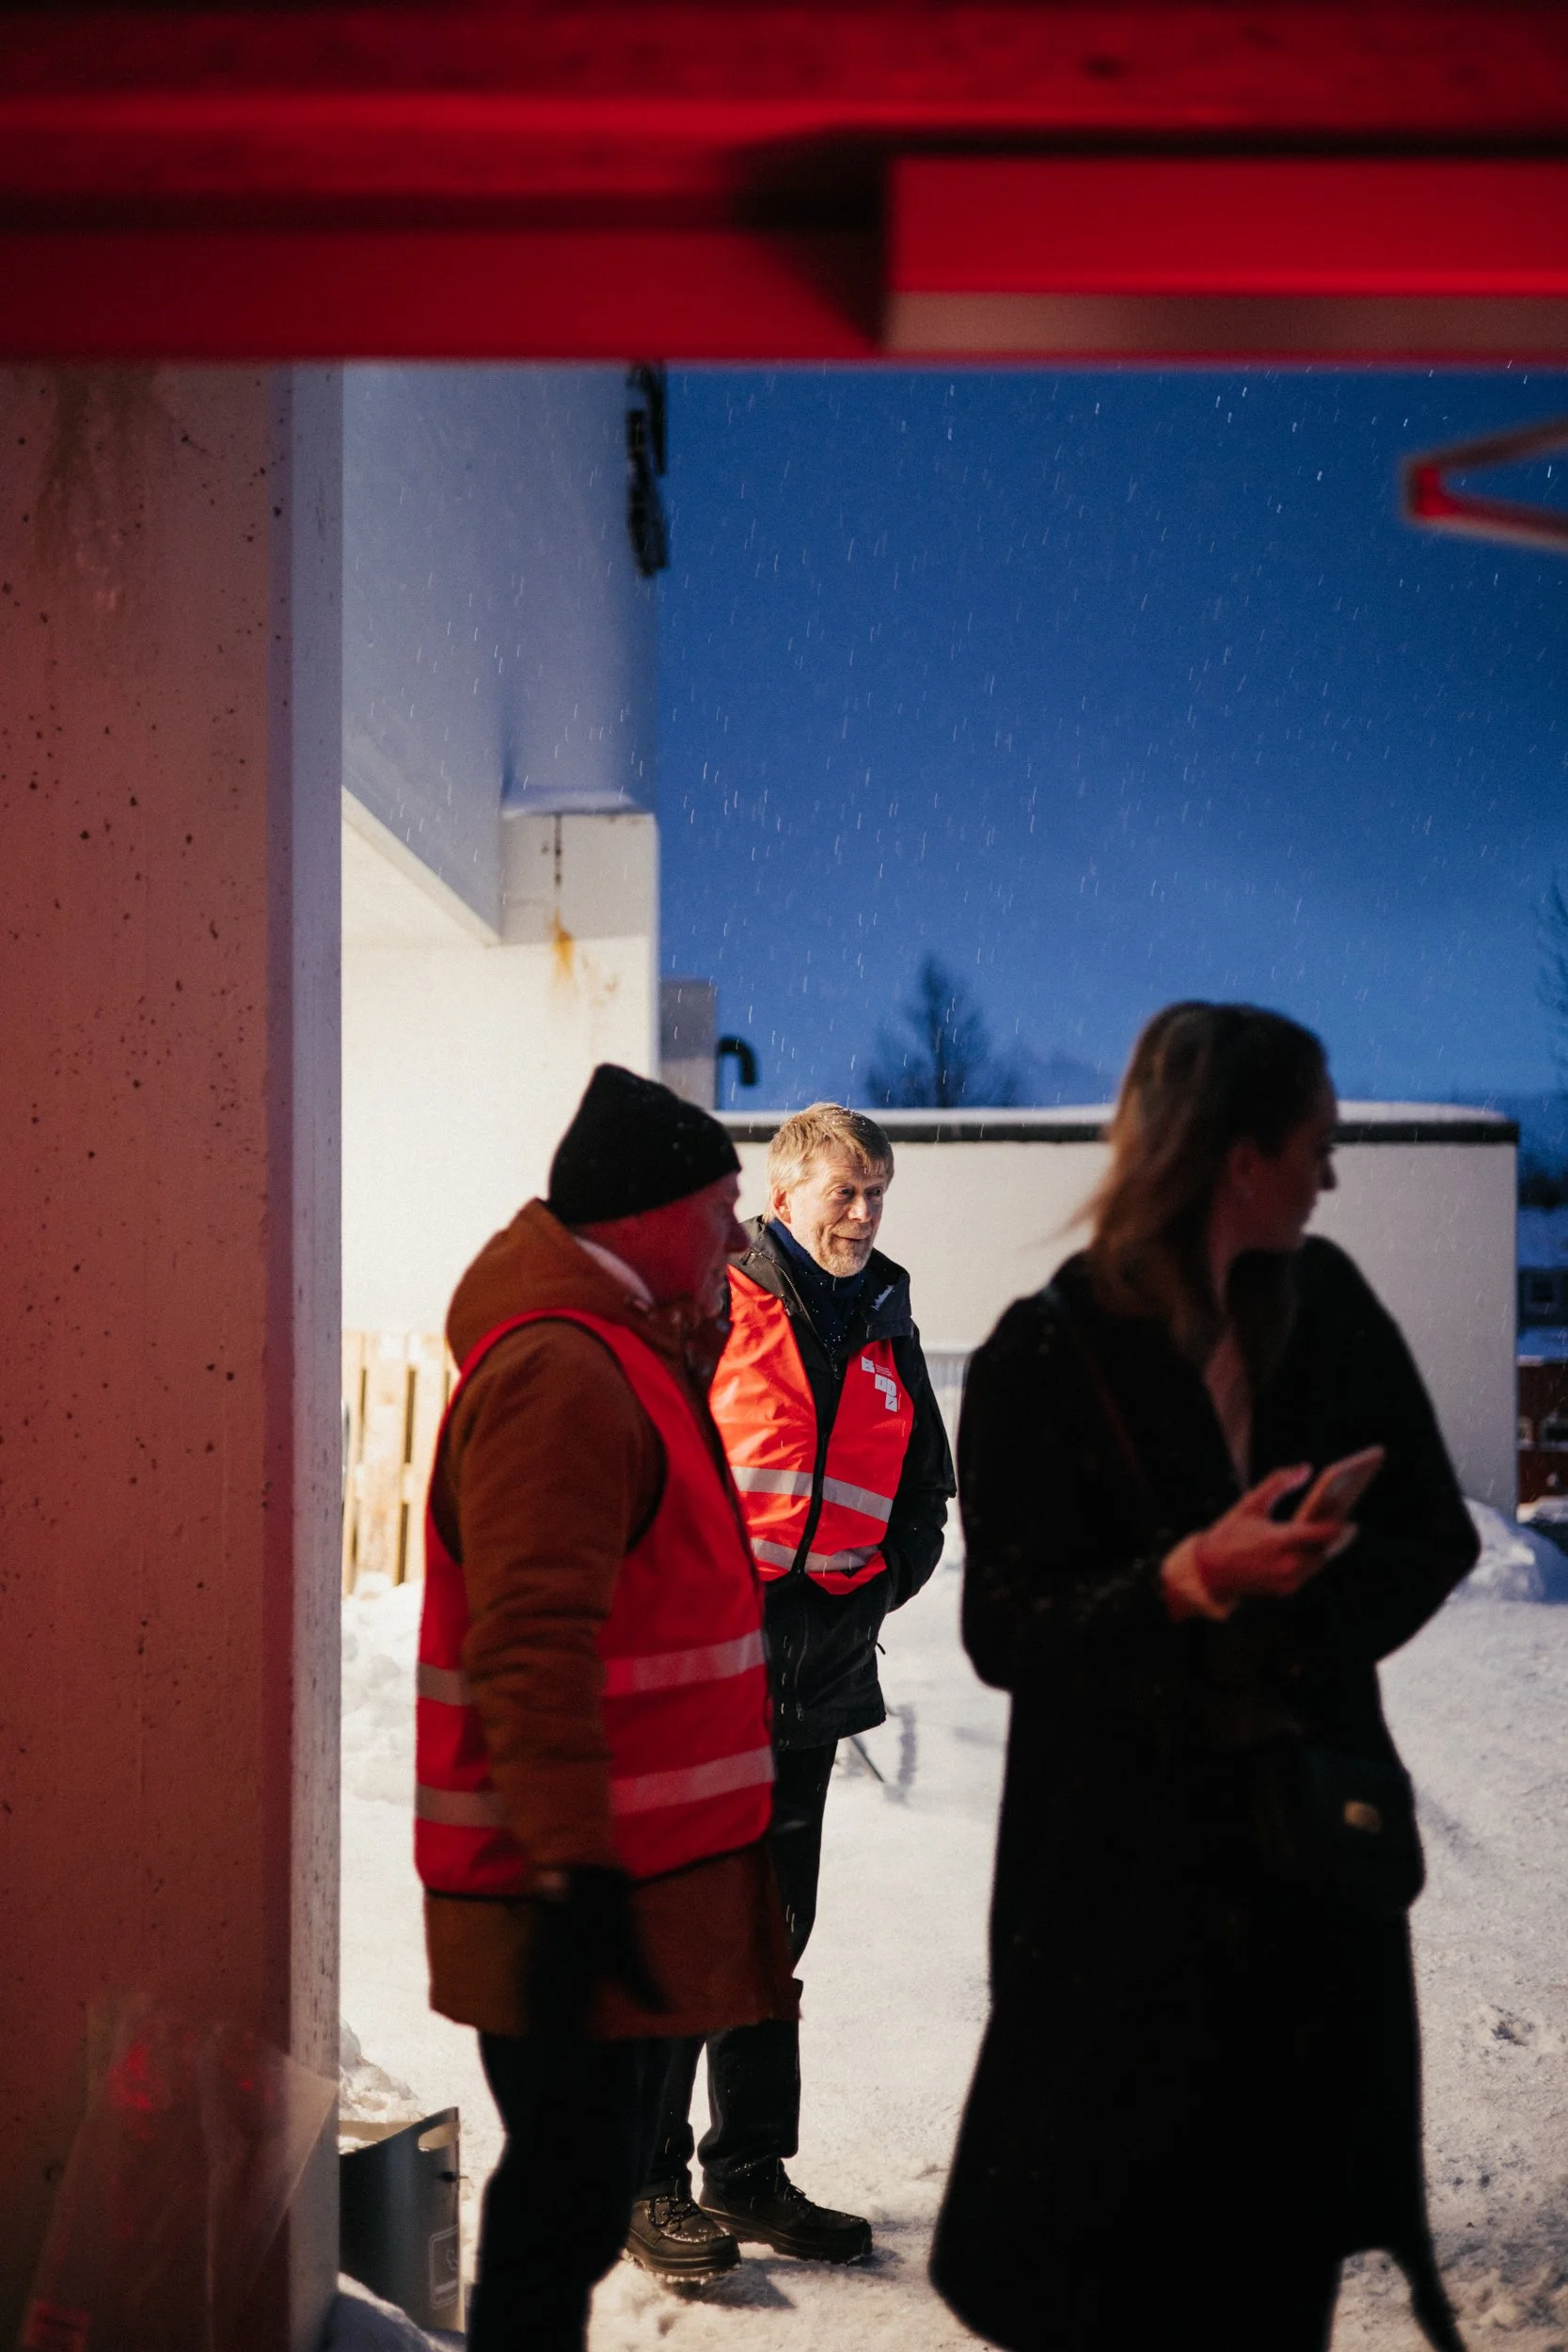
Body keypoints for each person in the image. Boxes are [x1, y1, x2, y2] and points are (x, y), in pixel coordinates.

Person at [930, 1002, 1478, 2352]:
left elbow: (1430, 1531)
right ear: (1239, 1158)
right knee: (1108, 2271)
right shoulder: (1039, 1352)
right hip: (1116, 1893)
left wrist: (1287, 1612)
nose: (1329, 1172)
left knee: (1272, 2264)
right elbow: (1004, 1627)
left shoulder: (1328, 1307)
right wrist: (1185, 1583)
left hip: (1302, 1872)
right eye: (1314, 1143)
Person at [414, 1063, 796, 2352]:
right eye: (722, 1205)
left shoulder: (624, 1356)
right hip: (568, 1898)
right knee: (557, 2220)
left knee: (570, 2211)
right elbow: (528, 1643)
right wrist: (573, 1876)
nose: (739, 1238)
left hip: (623, 1888)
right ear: (644, 1215)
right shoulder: (565, 1373)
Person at [627, 1102, 956, 2279]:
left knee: (772, 1931)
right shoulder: (714, 1299)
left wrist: (865, 1599)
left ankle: (749, 2170)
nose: (861, 1213)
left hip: (814, 1677)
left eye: (874, 1193)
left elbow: (923, 1494)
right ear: (786, 1192)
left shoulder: (884, 1321)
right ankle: (648, 2182)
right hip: (706, 1672)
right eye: (842, 1190)